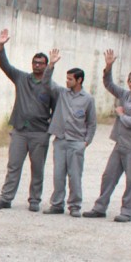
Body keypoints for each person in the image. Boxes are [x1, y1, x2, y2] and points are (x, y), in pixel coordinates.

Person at [0, 29, 59, 212]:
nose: (37, 65)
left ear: (46, 66)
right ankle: (6, 198)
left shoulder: (51, 86)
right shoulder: (21, 78)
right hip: (20, 130)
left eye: (41, 63)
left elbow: (57, 109)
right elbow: (5, 66)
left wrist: (49, 129)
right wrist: (1, 47)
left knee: (37, 168)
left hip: (39, 133)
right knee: (13, 166)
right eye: (35, 62)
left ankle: (34, 200)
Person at [83, 49, 131, 222]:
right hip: (120, 143)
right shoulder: (126, 95)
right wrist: (108, 66)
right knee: (108, 176)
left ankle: (126, 212)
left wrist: (121, 114)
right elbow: (109, 85)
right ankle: (100, 207)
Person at [43, 66, 96, 216]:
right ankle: (57, 204)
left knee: (75, 175)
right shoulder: (61, 93)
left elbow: (92, 123)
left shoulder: (88, 99)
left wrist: (86, 142)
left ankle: (74, 206)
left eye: (70, 79)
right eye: (66, 78)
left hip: (76, 142)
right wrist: (51, 65)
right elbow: (46, 81)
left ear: (79, 80)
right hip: (60, 140)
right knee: (58, 174)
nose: (67, 81)